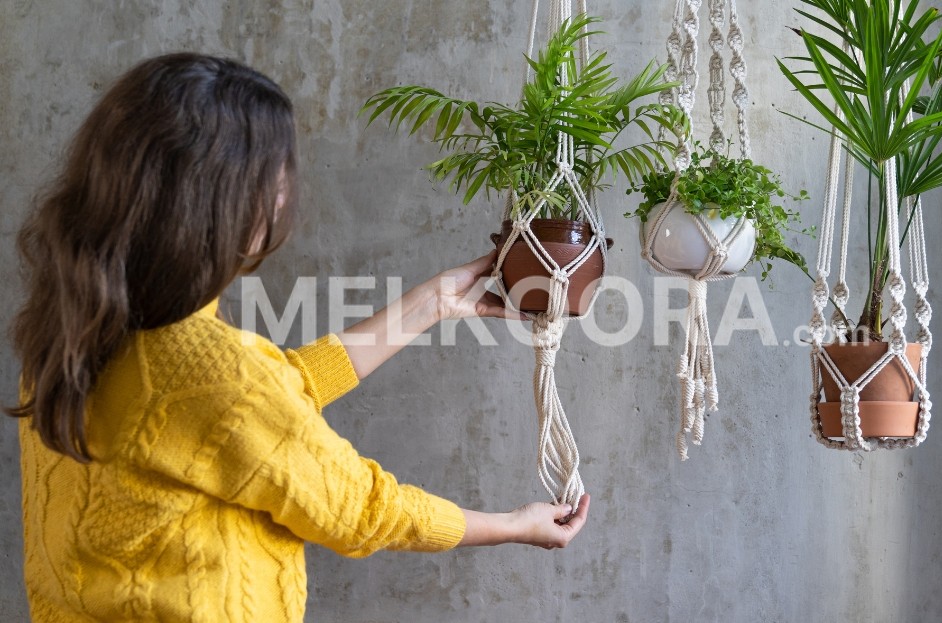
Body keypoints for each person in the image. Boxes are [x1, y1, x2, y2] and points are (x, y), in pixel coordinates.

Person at [7, 52, 589, 622]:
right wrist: (514, 525)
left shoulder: (71, 337)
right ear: (222, 202)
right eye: (276, 179)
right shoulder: (211, 372)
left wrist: (429, 305)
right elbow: (359, 507)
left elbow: (261, 400)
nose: (285, 196)